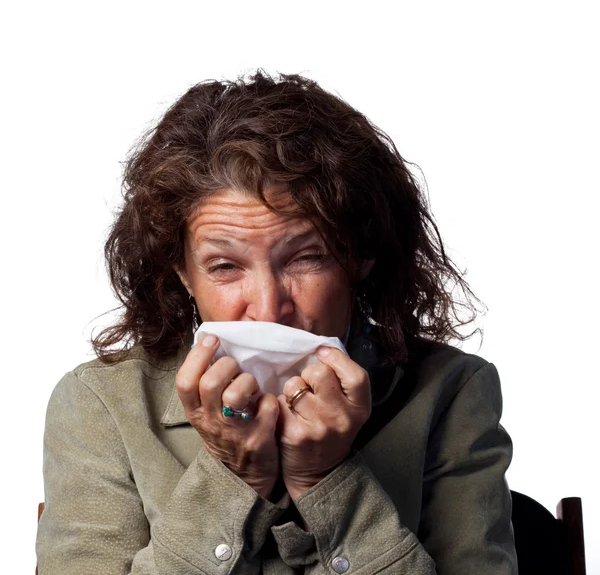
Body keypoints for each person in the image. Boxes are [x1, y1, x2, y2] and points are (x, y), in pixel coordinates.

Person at [36, 70, 517, 574]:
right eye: (225, 267)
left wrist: (326, 479)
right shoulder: (103, 406)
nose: (268, 309)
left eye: (305, 258)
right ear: (183, 274)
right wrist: (230, 477)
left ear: (360, 256)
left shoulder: (452, 393)